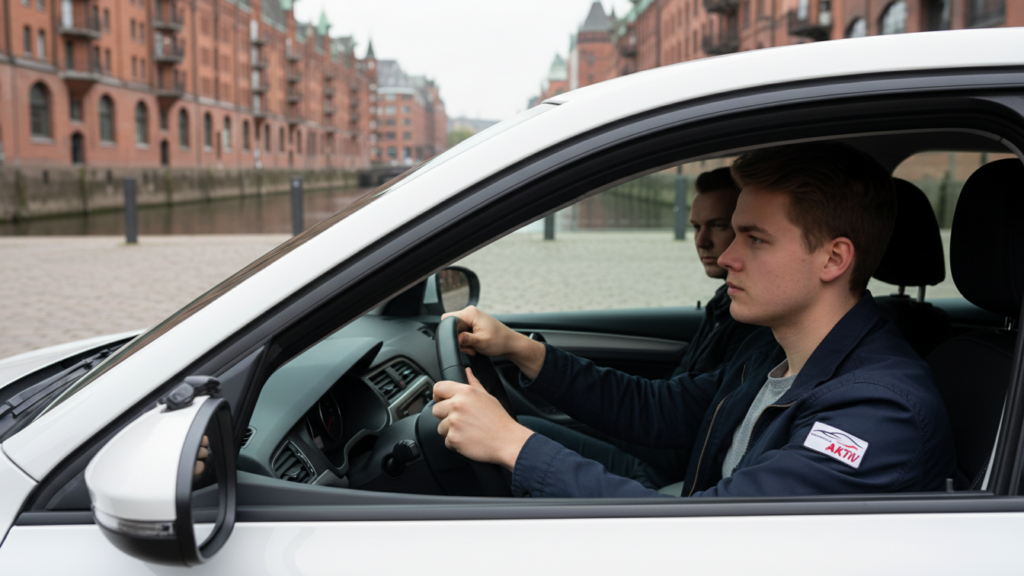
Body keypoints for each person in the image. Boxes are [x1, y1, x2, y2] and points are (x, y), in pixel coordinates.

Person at [431, 142, 956, 498]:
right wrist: (523, 349)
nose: (727, 256)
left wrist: (511, 445)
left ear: (833, 259)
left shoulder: (878, 413)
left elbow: (706, 534)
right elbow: (659, 410)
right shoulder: (774, 352)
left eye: (754, 238)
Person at [515, 167, 760, 489]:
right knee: (520, 427)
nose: (703, 242)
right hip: (663, 464)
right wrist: (520, 350)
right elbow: (669, 408)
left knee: (513, 434)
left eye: (719, 226)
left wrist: (604, 419)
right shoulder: (727, 307)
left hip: (665, 476)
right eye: (696, 227)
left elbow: (671, 425)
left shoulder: (756, 330)